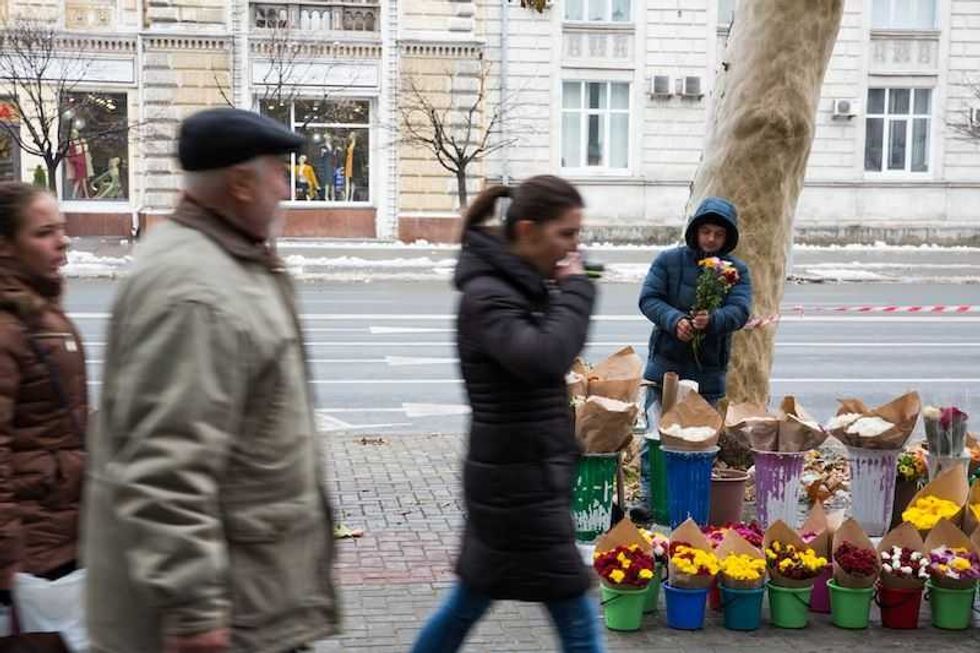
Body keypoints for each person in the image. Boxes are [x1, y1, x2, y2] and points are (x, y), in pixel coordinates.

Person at [83, 108, 338, 653]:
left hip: (251, 601)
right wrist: (197, 615)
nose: (288, 189)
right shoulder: (195, 290)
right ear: (242, 184)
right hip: (227, 620)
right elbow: (165, 468)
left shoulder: (227, 263)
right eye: (278, 172)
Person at [410, 176, 604, 653]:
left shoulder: (515, 286)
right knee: (575, 613)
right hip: (517, 486)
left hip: (518, 476)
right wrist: (577, 292)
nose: (574, 246)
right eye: (566, 234)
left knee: (469, 601)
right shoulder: (487, 296)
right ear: (528, 230)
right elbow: (543, 358)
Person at [633, 197, 751, 521]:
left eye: (718, 234)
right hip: (666, 368)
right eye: (706, 232)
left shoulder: (735, 271)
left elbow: (740, 311)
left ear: (727, 239)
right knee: (656, 438)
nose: (711, 239)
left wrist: (711, 321)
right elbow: (649, 299)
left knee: (700, 444)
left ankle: (692, 505)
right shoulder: (669, 261)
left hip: (707, 371)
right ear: (695, 232)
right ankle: (651, 499)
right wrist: (674, 320)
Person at [0, 182, 86, 608]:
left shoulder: (39, 309)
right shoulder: (8, 325)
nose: (62, 240)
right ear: (6, 246)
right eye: (43, 232)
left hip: (58, 533)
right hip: (29, 549)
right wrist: (6, 558)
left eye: (62, 228)